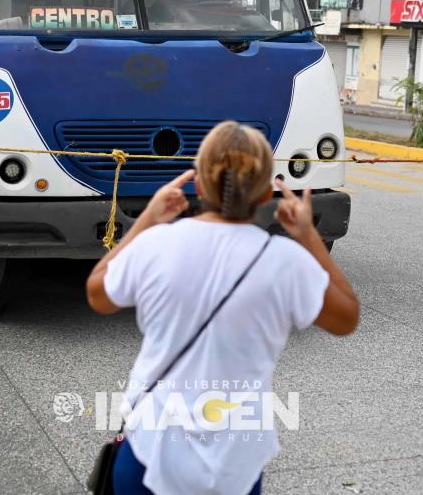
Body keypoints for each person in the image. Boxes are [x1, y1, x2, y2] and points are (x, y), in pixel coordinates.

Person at [85, 121, 359, 495]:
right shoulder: (284, 261)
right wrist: (309, 237)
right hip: (235, 466)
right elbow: (347, 318)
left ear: (199, 184)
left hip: (150, 453)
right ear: (266, 194)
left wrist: (148, 219)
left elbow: (98, 293)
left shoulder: (160, 244)